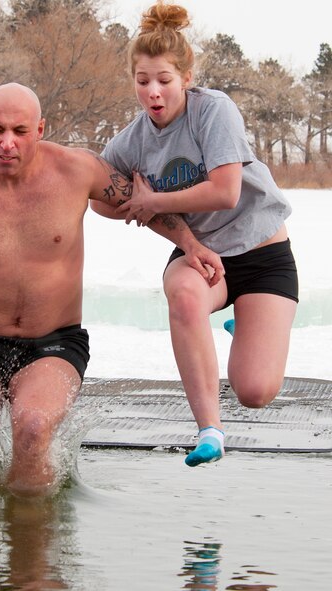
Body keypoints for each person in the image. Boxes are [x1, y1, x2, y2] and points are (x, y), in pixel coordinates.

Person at [0, 83, 224, 495]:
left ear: (40, 130)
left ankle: (31, 548)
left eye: (20, 130)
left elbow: (141, 204)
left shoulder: (77, 170)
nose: (7, 143)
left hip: (55, 342)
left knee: (32, 431)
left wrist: (191, 245)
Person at [91, 1, 298, 467]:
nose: (153, 92)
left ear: (185, 77)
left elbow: (225, 192)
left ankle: (245, 325)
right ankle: (210, 430)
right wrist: (127, 200)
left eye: (164, 80)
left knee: (255, 391)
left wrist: (153, 203)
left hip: (264, 254)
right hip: (203, 257)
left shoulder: (214, 111)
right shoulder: (132, 140)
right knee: (184, 295)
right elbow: (98, 197)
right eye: (143, 81)